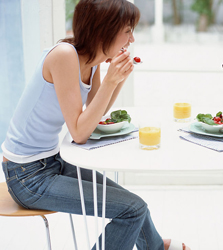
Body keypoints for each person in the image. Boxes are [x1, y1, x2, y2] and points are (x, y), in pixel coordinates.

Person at [1, 0, 190, 249]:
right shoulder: (64, 55)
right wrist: (112, 81)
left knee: (135, 204)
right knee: (131, 210)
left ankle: (155, 247)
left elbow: (96, 114)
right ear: (106, 29)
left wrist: (119, 79)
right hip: (27, 176)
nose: (131, 39)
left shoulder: (90, 60)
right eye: (127, 30)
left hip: (53, 162)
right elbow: (79, 132)